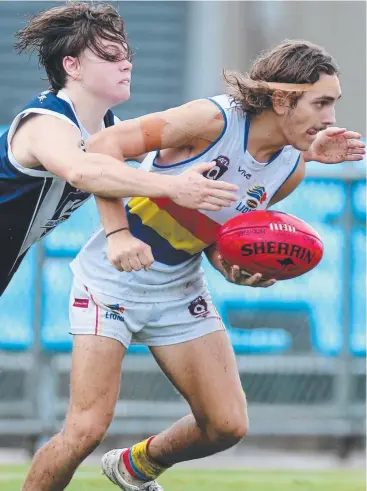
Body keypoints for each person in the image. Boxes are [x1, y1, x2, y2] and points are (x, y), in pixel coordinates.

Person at [22, 40, 365, 491]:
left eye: (333, 104)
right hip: (111, 283)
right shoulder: (213, 120)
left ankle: (134, 467)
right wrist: (117, 234)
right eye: (321, 103)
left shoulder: (289, 169)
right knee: (85, 430)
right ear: (282, 99)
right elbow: (103, 145)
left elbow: (218, 239)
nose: (330, 119)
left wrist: (234, 267)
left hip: (179, 288)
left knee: (226, 425)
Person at [0, 2, 239, 297]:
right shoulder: (46, 123)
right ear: (71, 65)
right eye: (111, 56)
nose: (127, 64)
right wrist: (174, 186)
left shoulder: (107, 129)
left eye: (126, 56)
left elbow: (181, 159)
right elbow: (82, 171)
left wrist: (295, 145)